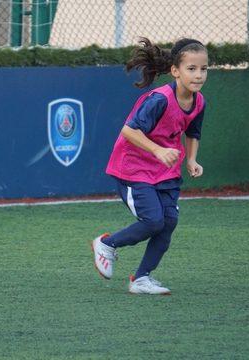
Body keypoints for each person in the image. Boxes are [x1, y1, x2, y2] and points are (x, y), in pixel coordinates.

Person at [91, 37, 208, 295]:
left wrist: (191, 159)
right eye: (192, 69)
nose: (198, 75)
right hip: (133, 168)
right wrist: (157, 150)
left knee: (168, 222)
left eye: (203, 69)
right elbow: (129, 130)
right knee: (153, 221)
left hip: (165, 171)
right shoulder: (159, 100)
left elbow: (193, 133)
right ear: (175, 71)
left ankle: (141, 279)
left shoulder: (199, 102)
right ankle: (107, 244)